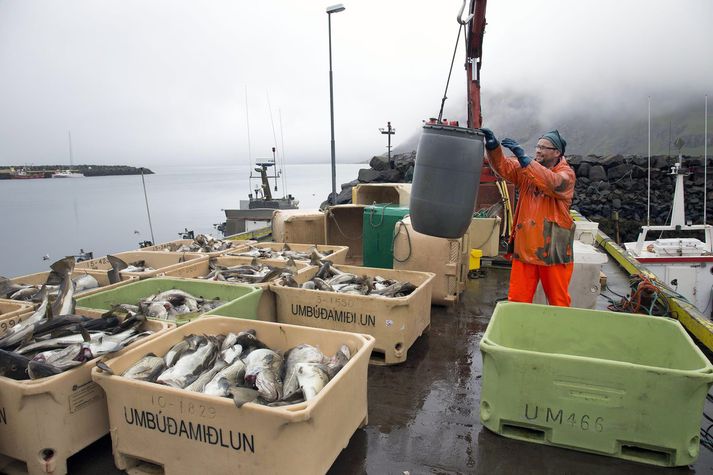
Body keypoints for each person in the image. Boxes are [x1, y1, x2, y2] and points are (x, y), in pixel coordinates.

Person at [479, 128, 576, 307]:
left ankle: (559, 332)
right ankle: (518, 332)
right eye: (537, 146)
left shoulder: (566, 175)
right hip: (525, 249)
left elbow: (552, 182)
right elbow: (505, 167)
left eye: (544, 147)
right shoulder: (527, 169)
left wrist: (525, 160)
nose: (538, 150)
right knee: (517, 301)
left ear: (557, 152)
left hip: (552, 250)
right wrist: (493, 148)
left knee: (559, 301)